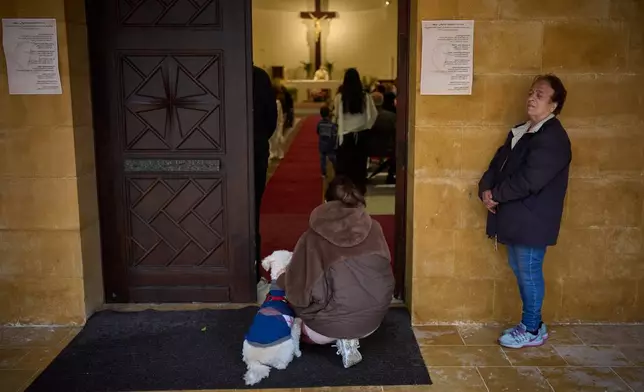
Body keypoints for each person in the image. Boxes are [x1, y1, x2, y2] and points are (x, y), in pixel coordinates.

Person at [478, 74, 571, 349]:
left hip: (532, 219)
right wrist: (485, 188)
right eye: (531, 92)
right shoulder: (522, 130)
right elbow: (497, 164)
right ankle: (533, 324)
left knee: (528, 271)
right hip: (516, 217)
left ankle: (531, 328)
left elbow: (530, 179)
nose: (531, 98)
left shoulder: (553, 138)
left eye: (540, 95)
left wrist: (496, 195)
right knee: (520, 269)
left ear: (554, 106)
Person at [278, 176, 394, 369]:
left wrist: (282, 279)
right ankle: (350, 338)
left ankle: (340, 337)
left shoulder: (312, 237)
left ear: (325, 202)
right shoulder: (375, 227)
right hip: (372, 322)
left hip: (326, 330)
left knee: (292, 314)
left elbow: (300, 293)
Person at [333, 68, 378, 194]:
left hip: (346, 135)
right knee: (359, 165)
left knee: (345, 166)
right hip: (362, 135)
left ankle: (345, 192)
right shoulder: (365, 97)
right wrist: (367, 126)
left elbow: (336, 115)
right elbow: (373, 114)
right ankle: (359, 191)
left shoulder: (339, 98)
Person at [253, 65, 278, 282]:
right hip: (256, 149)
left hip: (226, 151)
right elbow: (272, 117)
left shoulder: (221, 69)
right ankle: (251, 268)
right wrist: (259, 138)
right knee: (253, 209)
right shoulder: (259, 76)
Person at [366, 92, 396, 184]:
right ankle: (391, 175)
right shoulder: (391, 116)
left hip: (368, 149)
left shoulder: (366, 117)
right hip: (389, 148)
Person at [316, 106, 338, 178]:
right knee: (333, 158)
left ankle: (323, 173)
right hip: (330, 144)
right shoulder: (332, 124)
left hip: (322, 144)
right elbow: (334, 134)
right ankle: (337, 171)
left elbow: (318, 131)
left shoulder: (319, 123)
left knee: (323, 160)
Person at [269, 93, 285, 160]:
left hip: (277, 123)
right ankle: (272, 153)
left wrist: (281, 123)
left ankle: (279, 153)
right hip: (269, 123)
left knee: (278, 138)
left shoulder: (278, 103)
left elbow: (280, 115)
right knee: (271, 139)